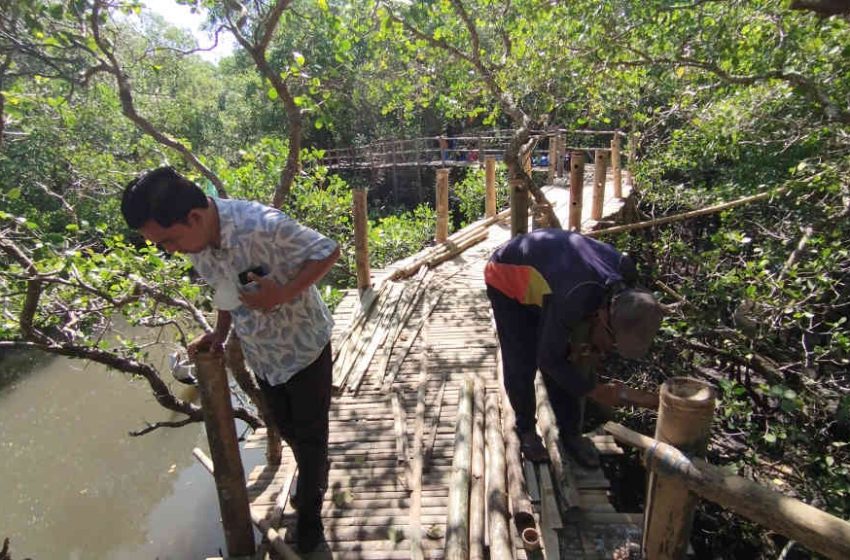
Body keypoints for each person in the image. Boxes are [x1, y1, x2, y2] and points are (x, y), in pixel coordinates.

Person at [121, 167, 340, 554]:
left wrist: (284, 293)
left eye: (169, 240)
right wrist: (219, 334)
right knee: (290, 431)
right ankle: (312, 474)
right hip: (263, 356)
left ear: (194, 217)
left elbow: (329, 251)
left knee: (309, 439)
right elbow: (226, 287)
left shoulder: (261, 225)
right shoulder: (196, 241)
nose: (169, 250)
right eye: (161, 245)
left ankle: (310, 520)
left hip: (305, 349)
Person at [484, 229, 662, 468]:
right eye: (612, 340)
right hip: (508, 275)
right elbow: (549, 359)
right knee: (522, 357)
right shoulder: (573, 298)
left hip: (553, 276)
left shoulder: (626, 275)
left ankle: (571, 434)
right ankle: (525, 428)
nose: (611, 348)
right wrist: (595, 391)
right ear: (603, 315)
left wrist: (590, 351)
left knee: (574, 354)